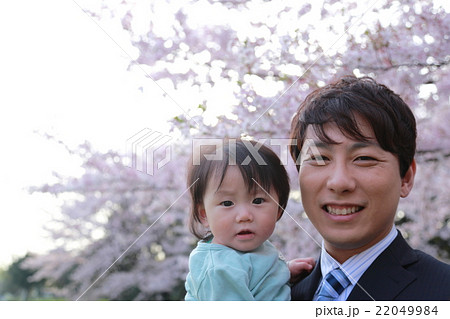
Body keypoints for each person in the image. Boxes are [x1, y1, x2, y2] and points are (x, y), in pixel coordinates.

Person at [289, 75, 450, 301]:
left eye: (363, 158)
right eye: (319, 158)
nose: (339, 182)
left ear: (406, 178)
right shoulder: (270, 296)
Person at [184, 139, 314, 300]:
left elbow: (255, 277)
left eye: (258, 201)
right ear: (204, 215)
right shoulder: (219, 271)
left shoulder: (250, 247)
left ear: (278, 208)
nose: (244, 216)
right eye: (227, 203)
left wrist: (283, 273)